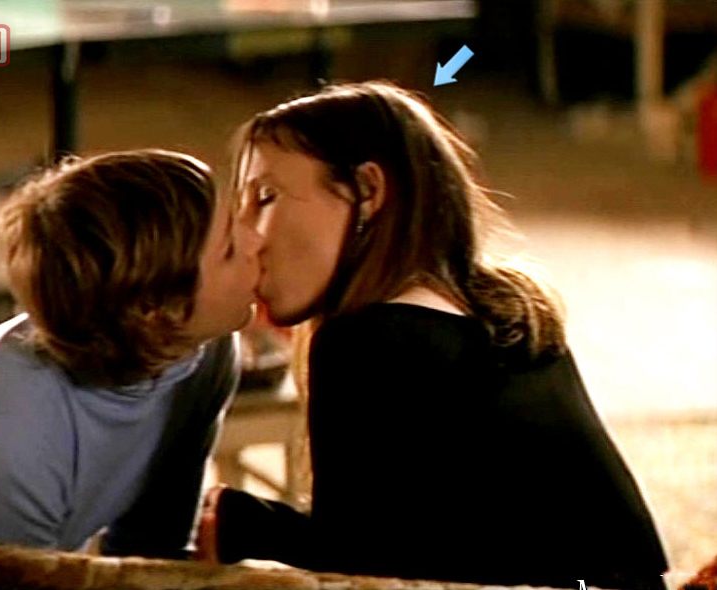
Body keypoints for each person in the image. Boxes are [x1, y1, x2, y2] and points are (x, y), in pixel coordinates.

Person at [196, 81, 668, 590]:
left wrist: (247, 524)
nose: (245, 235)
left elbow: (363, 566)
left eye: (266, 198)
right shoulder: (509, 306)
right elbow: (438, 538)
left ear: (368, 191)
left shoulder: (365, 342)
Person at [0, 149, 260, 558]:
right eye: (228, 250)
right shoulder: (2, 426)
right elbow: (12, 584)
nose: (256, 241)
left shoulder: (204, 349)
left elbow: (154, 545)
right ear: (156, 310)